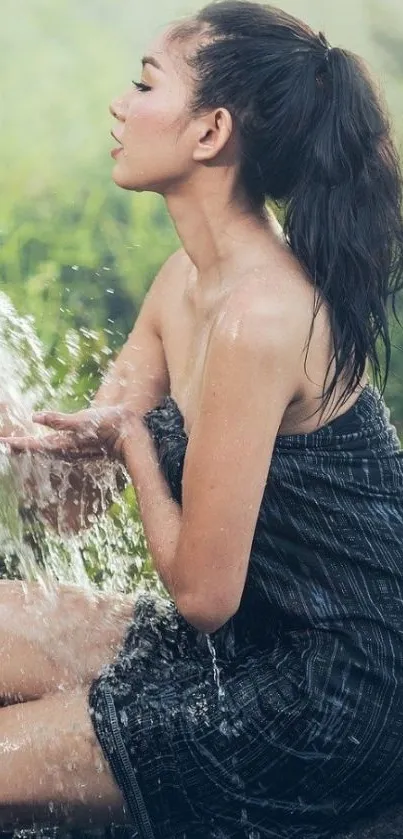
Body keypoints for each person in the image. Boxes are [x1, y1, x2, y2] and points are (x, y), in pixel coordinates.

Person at [0, 1, 403, 836]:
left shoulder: (263, 317)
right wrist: (23, 438)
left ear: (209, 131)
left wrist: (134, 443)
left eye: (144, 83)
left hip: (329, 693)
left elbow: (202, 595)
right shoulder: (181, 283)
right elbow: (69, 510)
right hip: (247, 645)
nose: (119, 104)